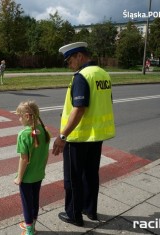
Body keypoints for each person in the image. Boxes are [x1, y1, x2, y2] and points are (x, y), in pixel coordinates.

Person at [52, 42, 115, 227]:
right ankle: (90, 210)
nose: (69, 65)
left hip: (78, 137)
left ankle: (73, 214)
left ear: (79, 56)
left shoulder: (82, 76)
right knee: (91, 175)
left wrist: (62, 136)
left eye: (69, 60)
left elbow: (79, 109)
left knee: (73, 178)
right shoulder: (103, 74)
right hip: (96, 136)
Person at [14, 100, 51, 235]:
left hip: (27, 177)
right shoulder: (44, 131)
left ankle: (29, 230)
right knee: (35, 200)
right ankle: (32, 224)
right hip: (39, 174)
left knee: (26, 203)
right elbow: (45, 154)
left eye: (20, 116)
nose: (19, 119)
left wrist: (19, 177)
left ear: (28, 116)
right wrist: (42, 169)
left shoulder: (23, 135)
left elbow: (24, 159)